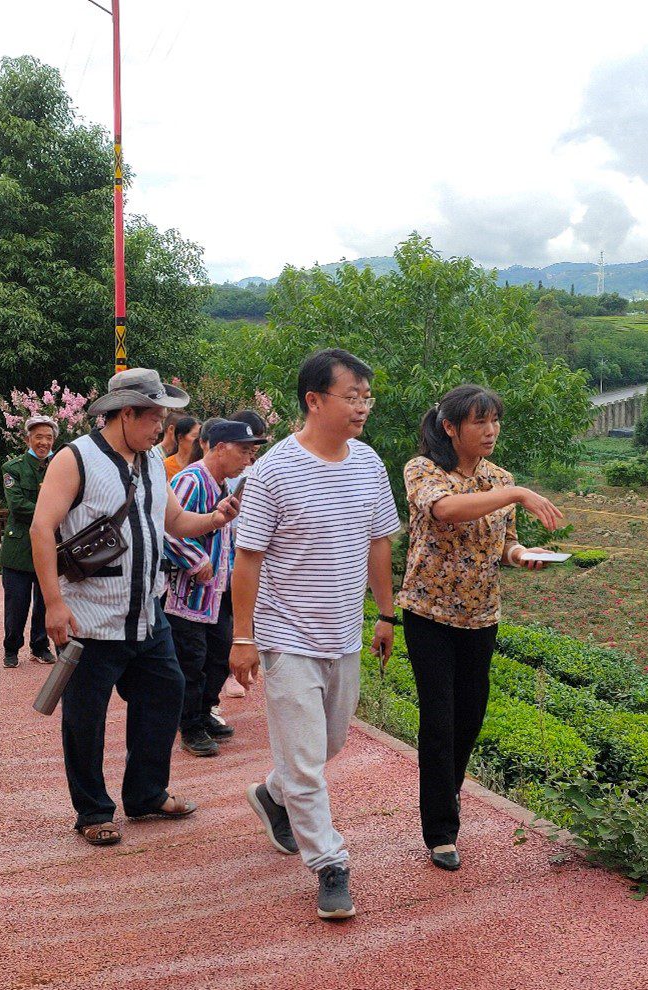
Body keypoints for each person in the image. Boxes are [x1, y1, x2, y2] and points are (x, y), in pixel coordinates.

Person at [30, 368, 240, 848]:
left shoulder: (151, 463)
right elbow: (42, 529)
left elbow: (175, 521)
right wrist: (54, 604)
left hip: (148, 616)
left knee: (166, 694)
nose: (161, 429)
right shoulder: (75, 459)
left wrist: (215, 517)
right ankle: (92, 811)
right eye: (155, 419)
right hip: (91, 618)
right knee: (85, 719)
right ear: (125, 414)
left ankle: (145, 794)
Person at [230, 349, 399, 921]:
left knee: (327, 745)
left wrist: (385, 613)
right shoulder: (273, 471)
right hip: (286, 638)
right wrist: (243, 637)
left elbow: (380, 542)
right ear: (314, 400)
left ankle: (272, 794)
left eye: (366, 397)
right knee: (306, 760)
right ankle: (330, 863)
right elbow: (247, 558)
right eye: (352, 396)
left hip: (343, 634)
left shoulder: (370, 464)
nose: (362, 407)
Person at [396, 385, 564, 871]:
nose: (490, 431)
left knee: (470, 718)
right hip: (428, 613)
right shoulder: (424, 470)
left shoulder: (498, 477)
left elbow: (506, 542)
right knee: (440, 716)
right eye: (479, 422)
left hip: (481, 615)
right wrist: (513, 493)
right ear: (451, 427)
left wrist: (521, 556)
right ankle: (442, 830)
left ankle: (442, 795)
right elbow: (445, 510)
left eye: (494, 421)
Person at [164, 419, 266, 757]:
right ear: (219, 448)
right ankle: (189, 725)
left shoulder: (223, 486)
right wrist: (195, 559)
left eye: (252, 452)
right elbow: (166, 531)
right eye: (243, 451)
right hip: (189, 593)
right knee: (191, 660)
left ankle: (205, 712)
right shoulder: (190, 480)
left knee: (219, 655)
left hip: (219, 591)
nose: (248, 459)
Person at [0, 417, 57, 668]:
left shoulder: (60, 466)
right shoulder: (13, 468)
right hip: (20, 548)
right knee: (17, 603)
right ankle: (11, 648)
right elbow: (18, 506)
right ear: (27, 439)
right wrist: (54, 510)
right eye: (39, 437)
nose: (44, 442)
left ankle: (40, 646)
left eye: (49, 438)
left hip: (51, 546)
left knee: (45, 602)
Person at [218, 408, 269, 701]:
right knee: (231, 616)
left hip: (245, 553)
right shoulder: (233, 473)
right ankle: (231, 672)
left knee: (238, 614)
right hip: (235, 554)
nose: (251, 455)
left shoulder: (256, 471)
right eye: (248, 448)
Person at [162, 416, 199, 481]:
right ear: (180, 437)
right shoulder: (165, 466)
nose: (199, 440)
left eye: (201, 437)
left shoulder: (202, 466)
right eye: (195, 436)